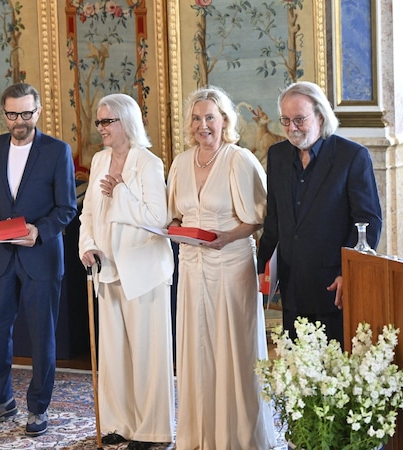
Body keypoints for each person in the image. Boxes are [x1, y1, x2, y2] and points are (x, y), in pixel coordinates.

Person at [167, 86, 275, 449]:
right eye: (196, 118)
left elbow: (259, 217)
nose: (203, 125)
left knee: (233, 350)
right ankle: (200, 435)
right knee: (197, 349)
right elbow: (174, 215)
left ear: (225, 120)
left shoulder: (239, 159)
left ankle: (238, 437)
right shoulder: (181, 162)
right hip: (191, 268)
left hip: (231, 266)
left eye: (210, 117)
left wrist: (226, 237)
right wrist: (172, 229)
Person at [0, 82, 77, 437]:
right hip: (0, 255)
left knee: (42, 334)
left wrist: (38, 230)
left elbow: (67, 208)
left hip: (40, 256)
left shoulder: (57, 151)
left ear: (38, 111)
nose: (20, 120)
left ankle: (38, 408)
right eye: (13, 114)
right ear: (4, 114)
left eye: (26, 113)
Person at [78, 93, 175, 450]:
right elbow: (88, 213)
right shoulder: (100, 160)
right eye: (100, 122)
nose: (101, 128)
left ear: (126, 122)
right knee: (115, 354)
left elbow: (157, 220)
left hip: (144, 271)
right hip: (108, 269)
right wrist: (86, 245)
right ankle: (117, 422)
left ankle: (152, 430)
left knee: (148, 355)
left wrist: (121, 193)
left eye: (108, 121)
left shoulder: (148, 163)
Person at [257, 81, 382, 344]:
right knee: (298, 370)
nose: (291, 128)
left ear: (321, 116)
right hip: (292, 287)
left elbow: (368, 220)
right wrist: (262, 266)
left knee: (333, 374)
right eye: (286, 120)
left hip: (334, 288)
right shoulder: (277, 156)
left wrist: (350, 273)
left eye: (299, 120)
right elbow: (274, 218)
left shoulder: (352, 156)